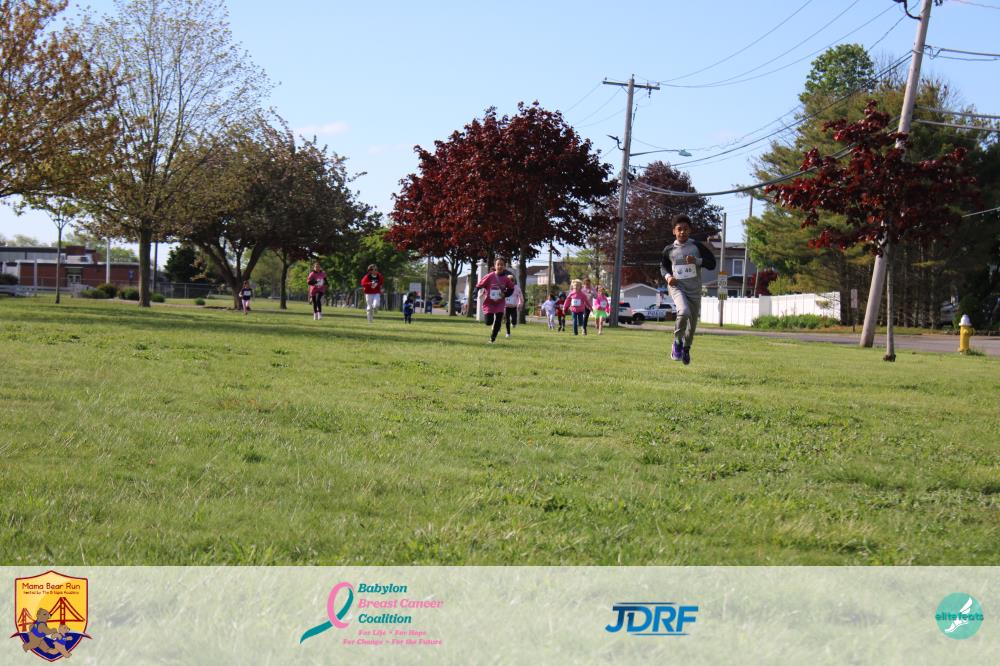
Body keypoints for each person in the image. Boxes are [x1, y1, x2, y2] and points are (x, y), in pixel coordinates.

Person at [661, 214, 716, 365]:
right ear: (674, 231)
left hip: (694, 290)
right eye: (679, 229)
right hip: (677, 288)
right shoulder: (669, 250)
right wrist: (668, 277)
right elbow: (663, 266)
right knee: (683, 311)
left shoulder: (696, 246)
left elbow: (712, 264)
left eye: (685, 229)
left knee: (692, 326)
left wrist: (696, 261)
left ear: (690, 230)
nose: (682, 232)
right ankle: (677, 342)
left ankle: (686, 348)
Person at [476, 258, 515, 344]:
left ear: (504, 266)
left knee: (498, 320)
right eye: (498, 264)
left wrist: (505, 294)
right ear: (495, 266)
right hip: (489, 302)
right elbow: (479, 285)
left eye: (502, 265)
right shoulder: (489, 276)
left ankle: (492, 339)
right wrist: (475, 293)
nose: (500, 266)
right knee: (488, 322)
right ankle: (491, 321)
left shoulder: (506, 279)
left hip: (500, 303)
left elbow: (512, 288)